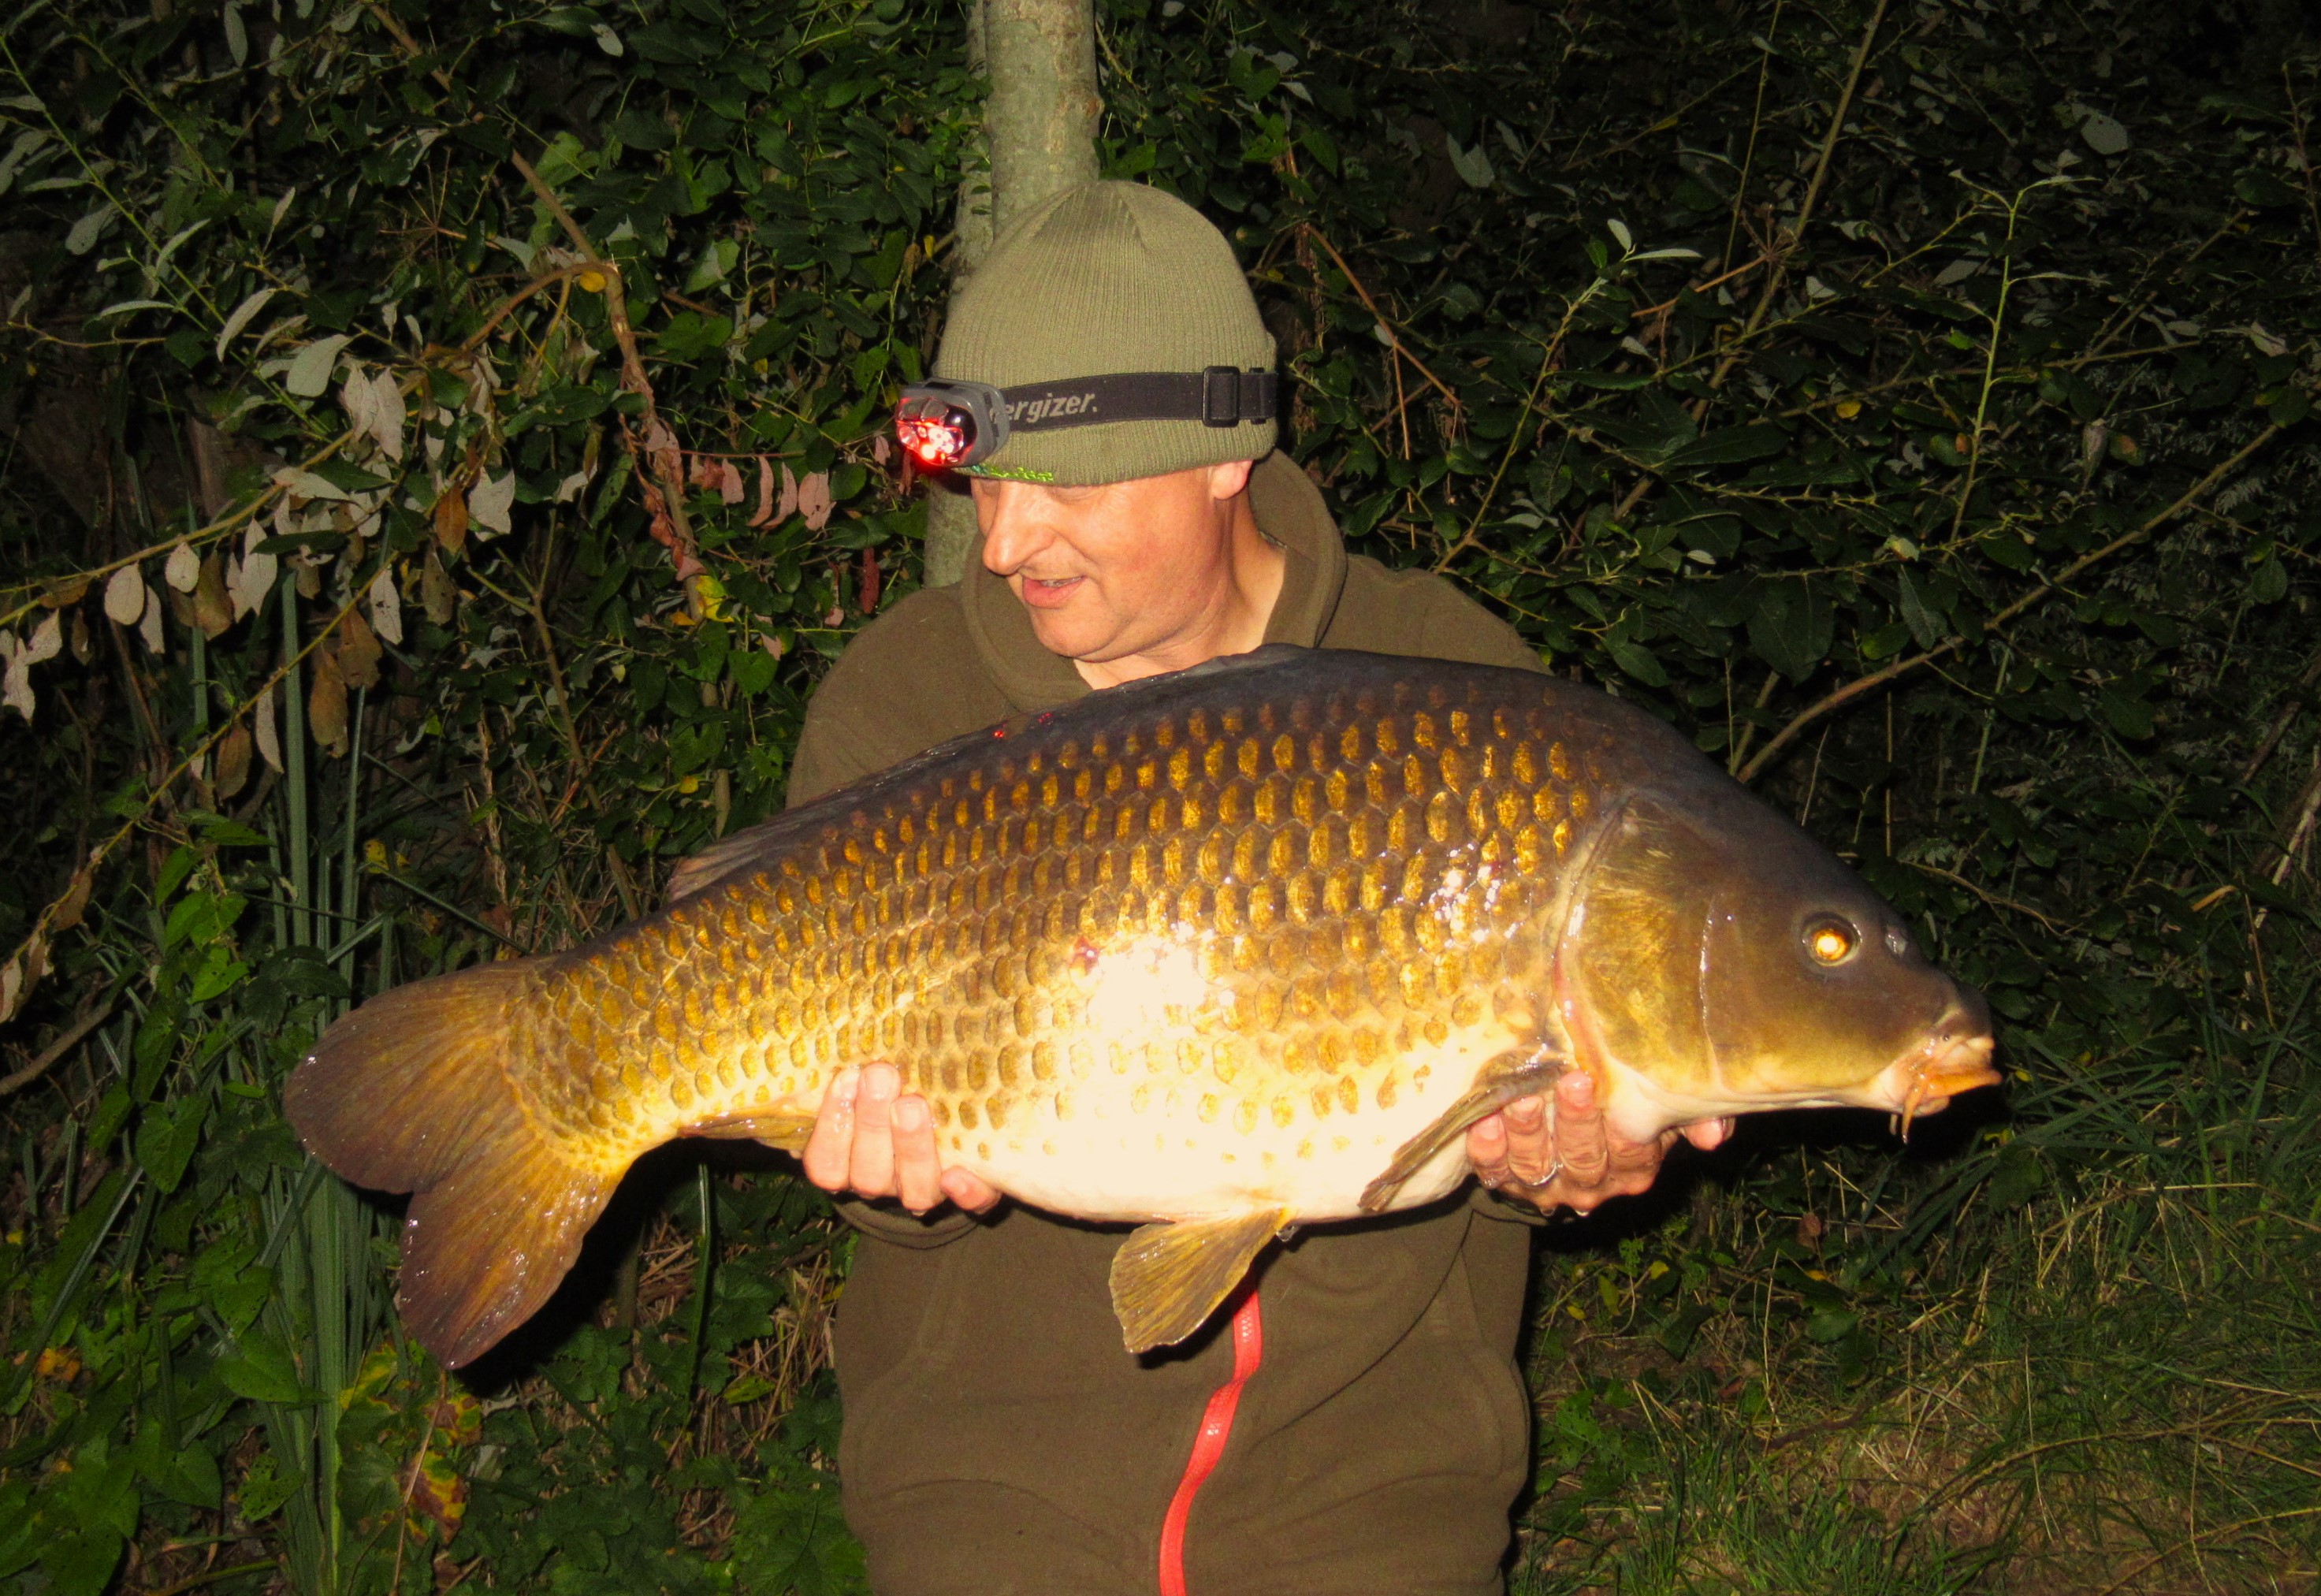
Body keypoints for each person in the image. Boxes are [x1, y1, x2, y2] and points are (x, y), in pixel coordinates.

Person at [782, 182, 1728, 1596]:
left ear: (1224, 457)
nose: (1005, 542)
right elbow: (862, 1178)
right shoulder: (907, 700)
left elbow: (1506, 1158)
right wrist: (877, 1178)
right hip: (991, 1499)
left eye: (1067, 488)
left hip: (1368, 1504)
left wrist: (1568, 1164)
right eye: (985, 484)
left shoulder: (1458, 687)